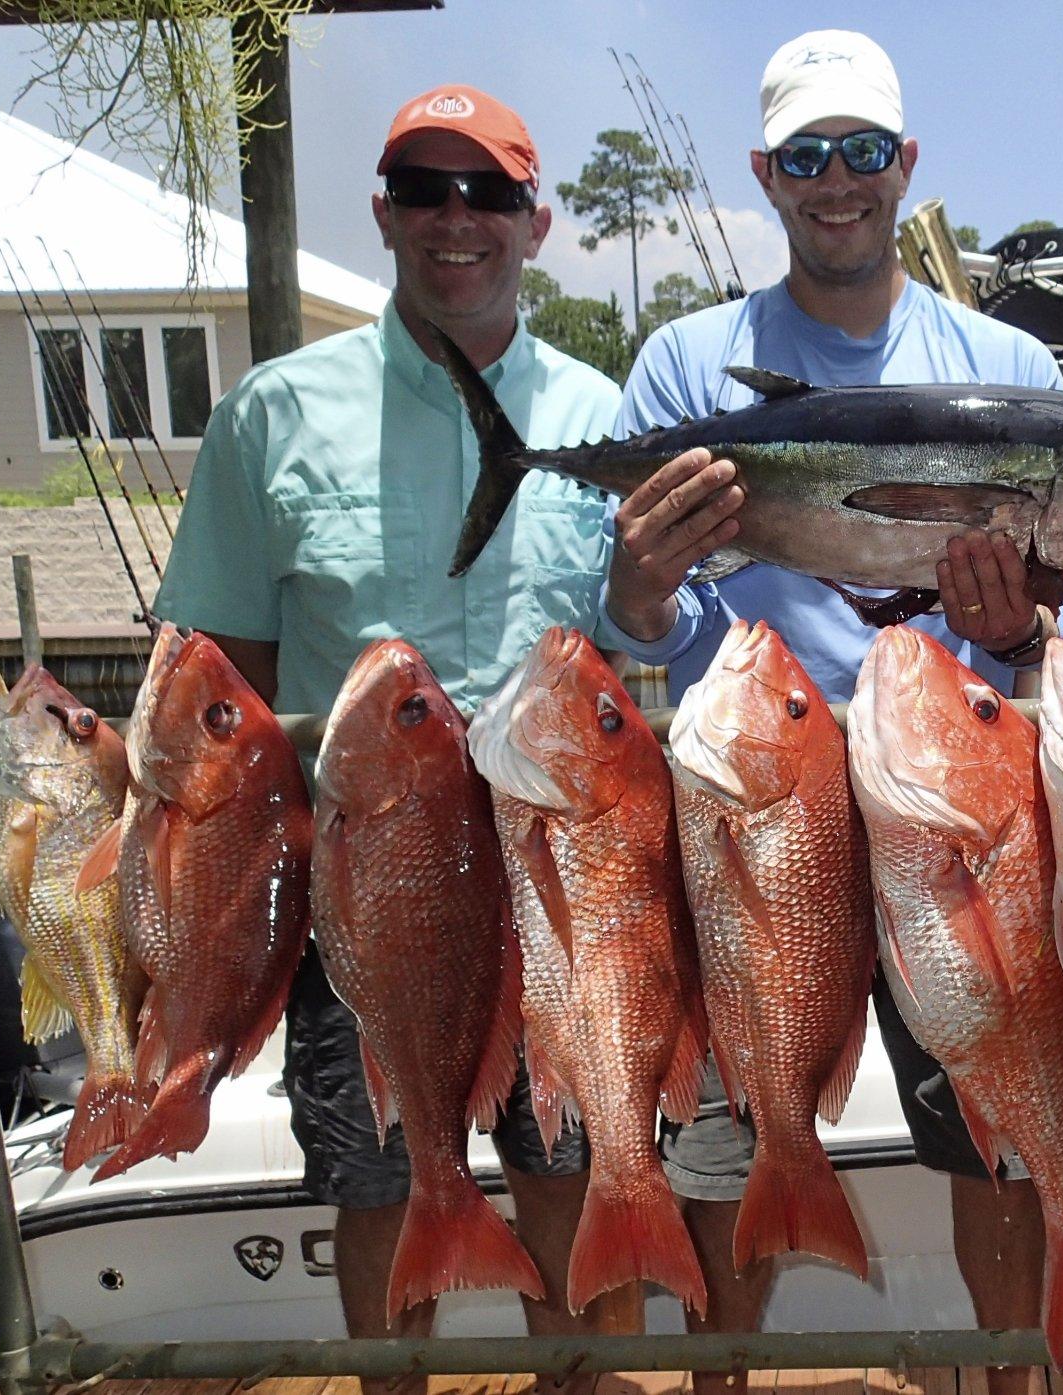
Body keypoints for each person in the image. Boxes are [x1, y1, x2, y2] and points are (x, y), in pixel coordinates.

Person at [594, 30, 1063, 1395]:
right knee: (728, 1128)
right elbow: (649, 626)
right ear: (767, 173)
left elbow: (1061, 620)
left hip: (953, 808)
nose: (837, 180)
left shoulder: (1001, 359)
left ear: (906, 164)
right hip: (757, 807)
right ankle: (719, 1377)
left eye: (863, 151)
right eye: (806, 156)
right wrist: (638, 588)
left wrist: (1014, 626)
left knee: (987, 1119)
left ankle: (1004, 1379)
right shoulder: (690, 367)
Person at [154, 85, 641, 1392]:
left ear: (536, 224)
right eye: (424, 188)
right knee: (371, 1176)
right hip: (355, 874)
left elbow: (635, 648)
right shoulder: (272, 412)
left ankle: (579, 1379)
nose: (455, 218)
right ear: (382, 211)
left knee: (569, 1165)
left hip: (556, 873)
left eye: (487, 191)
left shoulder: (603, 415)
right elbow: (220, 689)